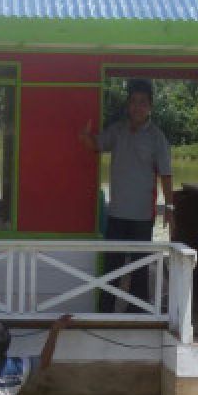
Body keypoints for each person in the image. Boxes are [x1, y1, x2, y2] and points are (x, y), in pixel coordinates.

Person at [79, 78, 173, 312]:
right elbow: (96, 145)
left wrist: (170, 207)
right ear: (128, 105)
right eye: (133, 102)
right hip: (117, 213)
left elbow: (166, 175)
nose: (137, 107)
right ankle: (105, 313)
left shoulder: (157, 137)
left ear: (150, 106)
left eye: (142, 102)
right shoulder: (118, 131)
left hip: (142, 215)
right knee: (112, 266)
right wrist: (84, 136)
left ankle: (138, 313)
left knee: (140, 268)